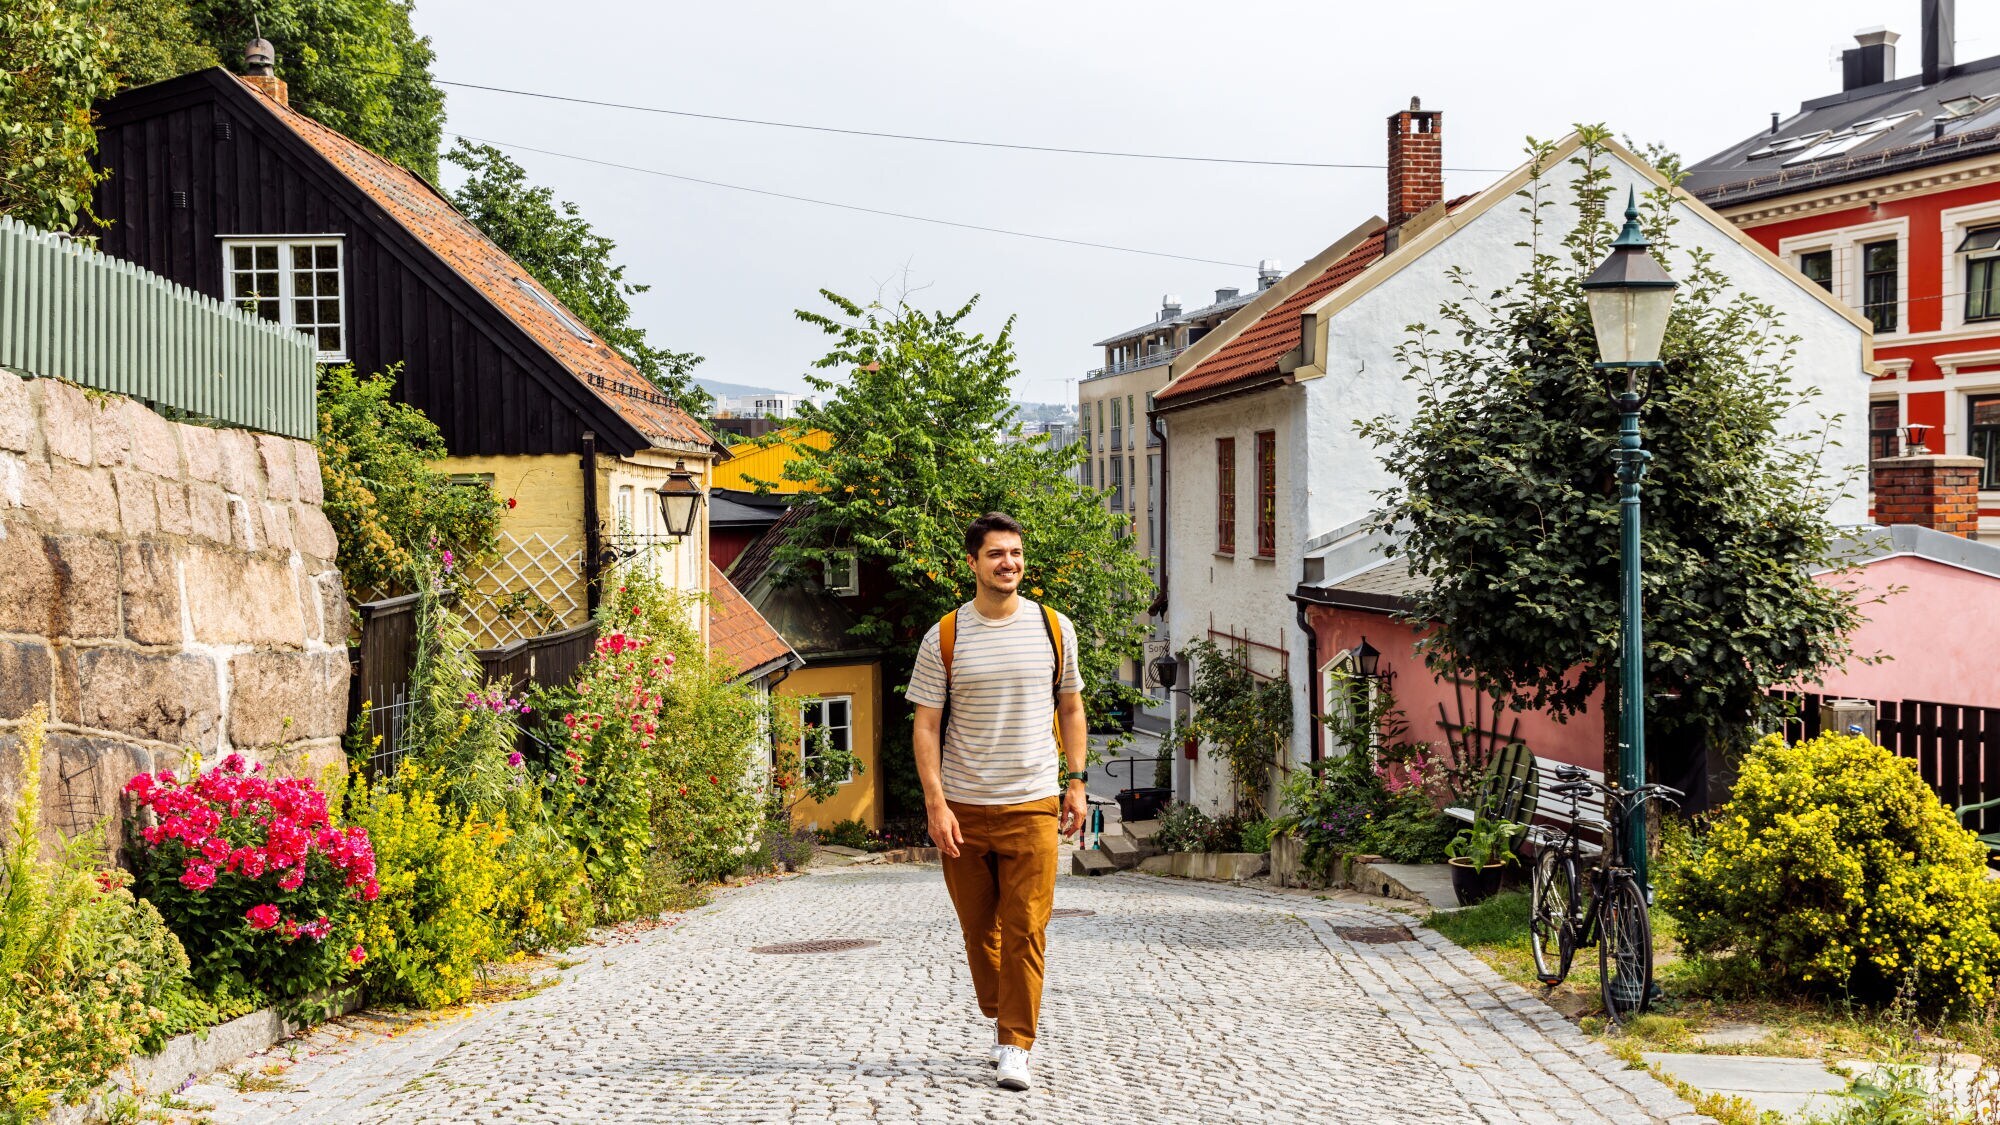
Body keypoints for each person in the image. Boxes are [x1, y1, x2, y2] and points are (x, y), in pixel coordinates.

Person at [907, 512, 1088, 1092]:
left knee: (1027, 927)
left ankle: (1016, 1042)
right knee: (979, 929)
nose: (1007, 563)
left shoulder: (1055, 629)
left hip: (1033, 803)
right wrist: (936, 804)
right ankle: (1000, 1008)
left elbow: (1072, 710)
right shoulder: (944, 637)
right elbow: (927, 726)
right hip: (963, 806)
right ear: (973, 563)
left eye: (1015, 553)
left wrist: (1077, 781)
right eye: (995, 554)